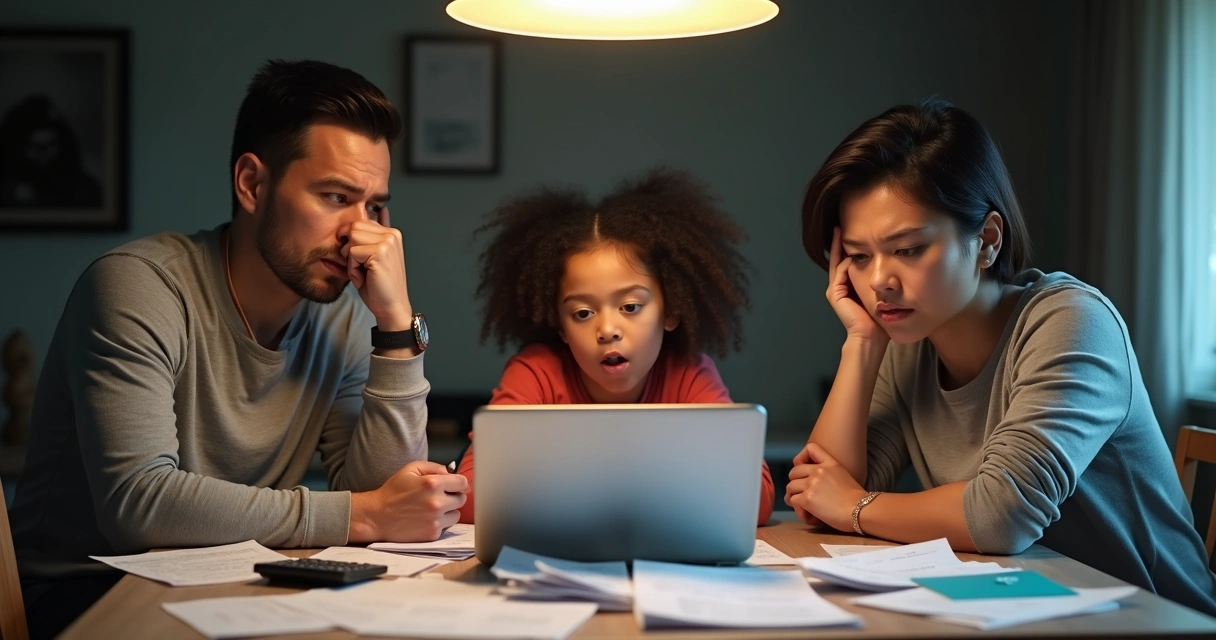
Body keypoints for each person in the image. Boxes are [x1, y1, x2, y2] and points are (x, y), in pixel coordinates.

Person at [9, 59, 468, 639]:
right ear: (252, 184)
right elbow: (137, 505)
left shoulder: (350, 317)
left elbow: (383, 499)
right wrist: (366, 512)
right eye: (335, 197)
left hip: (235, 581)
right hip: (81, 593)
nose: (361, 234)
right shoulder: (136, 287)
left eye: (375, 205)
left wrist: (396, 326)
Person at [785, 99, 1216, 615]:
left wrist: (855, 507)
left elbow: (1000, 517)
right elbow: (819, 497)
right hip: (1023, 609)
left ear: (986, 240)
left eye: (908, 249)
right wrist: (862, 343)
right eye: (858, 256)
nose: (878, 281)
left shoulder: (1072, 322)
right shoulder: (906, 344)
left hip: (1156, 619)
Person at [454, 168, 774, 526]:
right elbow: (468, 498)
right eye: (583, 313)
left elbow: (755, 500)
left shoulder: (689, 373)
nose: (607, 329)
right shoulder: (535, 374)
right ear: (561, 327)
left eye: (630, 307)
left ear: (671, 312)